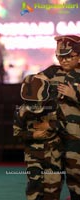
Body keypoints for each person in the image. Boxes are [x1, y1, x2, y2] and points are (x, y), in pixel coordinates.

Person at [38, 35, 80, 200]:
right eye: (60, 56)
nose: (64, 60)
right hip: (53, 135)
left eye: (69, 56)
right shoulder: (52, 72)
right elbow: (31, 86)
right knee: (50, 178)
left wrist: (74, 94)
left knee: (75, 175)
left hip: (76, 136)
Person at [13, 74, 65, 200]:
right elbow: (16, 134)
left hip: (54, 153)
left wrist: (50, 124)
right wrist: (32, 135)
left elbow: (65, 125)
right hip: (33, 155)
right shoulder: (21, 111)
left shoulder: (54, 105)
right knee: (34, 186)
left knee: (53, 188)